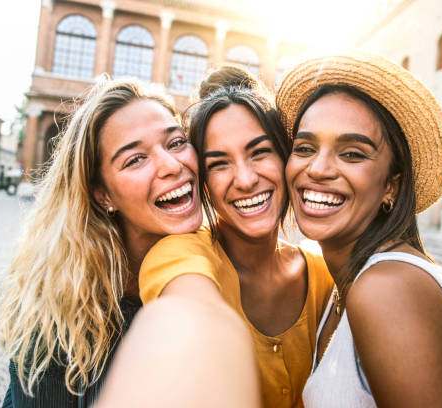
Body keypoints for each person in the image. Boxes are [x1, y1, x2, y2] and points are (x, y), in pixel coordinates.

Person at [0, 76, 222, 406]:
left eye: (175, 143)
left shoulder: (221, 264)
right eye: (135, 159)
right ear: (103, 194)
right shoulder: (62, 313)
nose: (173, 165)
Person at [276, 52, 442, 407]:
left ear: (392, 186)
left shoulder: (386, 291)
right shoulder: (345, 285)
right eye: (305, 148)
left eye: (352, 154)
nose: (318, 169)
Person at [138, 65, 334, 408]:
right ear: (205, 185)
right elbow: (185, 313)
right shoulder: (180, 254)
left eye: (259, 152)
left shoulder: (323, 275)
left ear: (286, 158)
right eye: (219, 164)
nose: (244, 179)